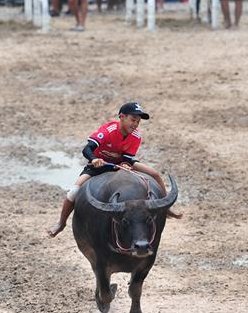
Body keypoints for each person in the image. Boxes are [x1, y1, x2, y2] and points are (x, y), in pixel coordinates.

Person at [48, 102, 180, 238]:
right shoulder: (108, 131)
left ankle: (166, 207)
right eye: (133, 120)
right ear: (122, 117)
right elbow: (87, 149)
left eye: (138, 122)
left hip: (121, 163)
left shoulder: (136, 136)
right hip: (99, 165)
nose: (135, 124)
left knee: (155, 174)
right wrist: (94, 159)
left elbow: (128, 157)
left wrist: (125, 164)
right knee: (74, 191)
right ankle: (61, 223)